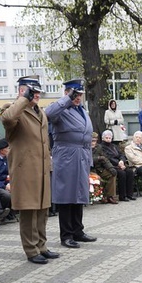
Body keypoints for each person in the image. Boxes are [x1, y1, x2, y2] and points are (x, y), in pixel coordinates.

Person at [1, 78, 58, 263]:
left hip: (41, 168)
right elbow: (8, 119)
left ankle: (41, 245)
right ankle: (31, 250)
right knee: (28, 210)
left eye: (39, 92)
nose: (37, 95)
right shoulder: (13, 108)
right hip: (25, 169)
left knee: (42, 209)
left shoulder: (39, 111)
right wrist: (23, 99)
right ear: (22, 91)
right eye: (33, 92)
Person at [45, 79, 97, 249]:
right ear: (67, 93)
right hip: (66, 155)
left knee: (79, 194)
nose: (78, 98)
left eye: (80, 95)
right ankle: (66, 235)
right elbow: (48, 114)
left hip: (81, 155)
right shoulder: (61, 109)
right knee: (66, 196)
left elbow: (87, 135)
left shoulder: (82, 110)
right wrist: (67, 99)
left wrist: (89, 159)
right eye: (75, 95)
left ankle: (78, 231)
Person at [99, 129, 136, 201]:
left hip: (120, 164)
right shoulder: (101, 147)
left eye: (110, 138)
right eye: (106, 138)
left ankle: (129, 194)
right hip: (110, 166)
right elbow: (107, 158)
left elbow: (121, 154)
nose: (108, 139)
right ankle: (122, 196)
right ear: (103, 138)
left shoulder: (114, 146)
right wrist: (118, 163)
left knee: (129, 172)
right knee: (122, 174)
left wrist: (122, 161)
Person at [91, 132, 118, 203]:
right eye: (91, 141)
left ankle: (110, 196)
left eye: (94, 141)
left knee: (112, 174)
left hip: (99, 169)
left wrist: (111, 168)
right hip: (89, 170)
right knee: (98, 179)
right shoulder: (84, 148)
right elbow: (86, 160)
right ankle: (101, 196)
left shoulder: (98, 147)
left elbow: (105, 159)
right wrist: (98, 158)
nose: (93, 143)